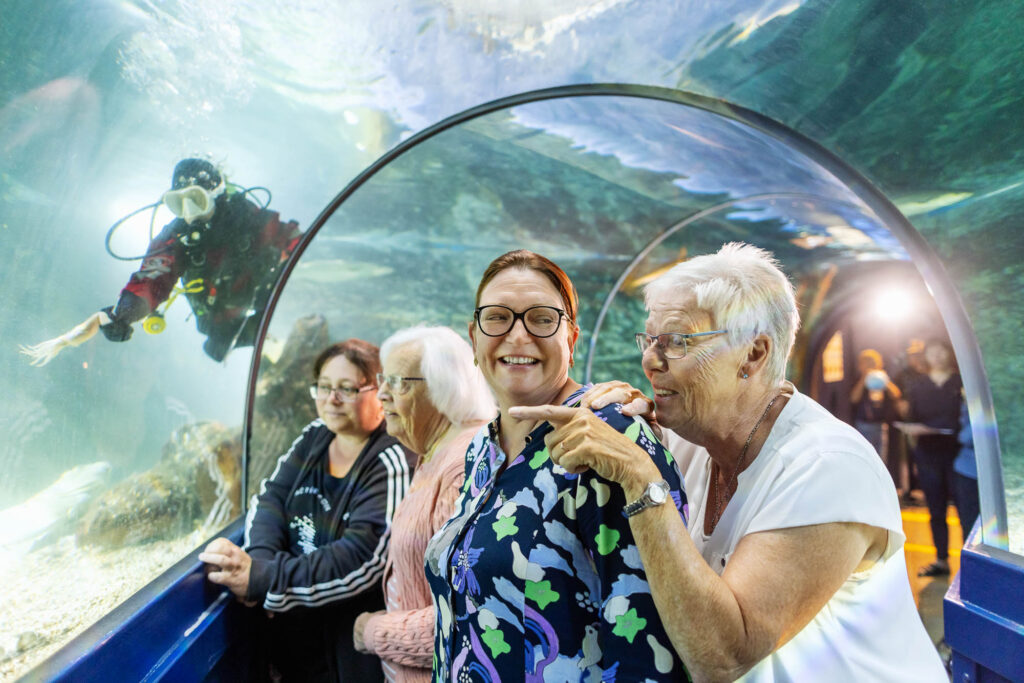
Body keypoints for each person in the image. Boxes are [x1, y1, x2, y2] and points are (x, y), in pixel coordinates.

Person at [514, 243, 946, 681]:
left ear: (753, 354)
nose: (648, 360)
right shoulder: (691, 442)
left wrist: (641, 477)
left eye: (677, 341)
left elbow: (723, 656)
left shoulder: (828, 466)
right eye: (650, 340)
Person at [423, 250, 688, 681]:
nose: (518, 336)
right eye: (497, 317)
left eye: (542, 319)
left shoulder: (608, 438)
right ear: (474, 337)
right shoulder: (480, 452)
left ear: (572, 337)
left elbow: (650, 641)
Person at [199, 339, 413, 682]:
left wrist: (266, 580)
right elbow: (270, 499)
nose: (332, 399)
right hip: (291, 630)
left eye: (347, 388)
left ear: (380, 391)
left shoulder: (392, 458)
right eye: (325, 386)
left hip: (347, 645)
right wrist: (260, 563)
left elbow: (363, 558)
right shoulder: (315, 436)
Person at [20, 158, 301, 365]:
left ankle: (277, 340)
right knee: (215, 347)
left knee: (266, 313)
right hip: (219, 317)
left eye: (195, 200)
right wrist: (122, 315)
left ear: (216, 193)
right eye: (179, 204)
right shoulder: (175, 237)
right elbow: (152, 278)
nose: (189, 215)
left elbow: (290, 237)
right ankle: (269, 352)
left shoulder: (248, 218)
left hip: (262, 295)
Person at [351, 325, 495, 682]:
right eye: (383, 379)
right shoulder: (434, 452)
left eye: (398, 382)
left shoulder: (463, 466)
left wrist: (373, 632)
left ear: (443, 388)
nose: (381, 394)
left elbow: (469, 613)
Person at [899, 337, 965, 578]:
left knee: (965, 509)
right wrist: (911, 428)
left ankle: (972, 562)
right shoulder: (919, 385)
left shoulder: (960, 382)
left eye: (941, 351)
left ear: (949, 354)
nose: (936, 356)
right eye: (932, 352)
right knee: (935, 509)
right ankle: (941, 560)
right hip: (927, 453)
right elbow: (912, 417)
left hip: (958, 453)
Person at [849, 348, 902, 488]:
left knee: (880, 459)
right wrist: (864, 379)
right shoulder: (858, 379)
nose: (869, 366)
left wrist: (884, 380)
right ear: (860, 365)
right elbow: (854, 398)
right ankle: (864, 486)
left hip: (881, 425)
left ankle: (878, 486)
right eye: (866, 363)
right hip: (863, 425)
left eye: (872, 363)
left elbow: (896, 394)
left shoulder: (882, 378)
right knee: (864, 457)